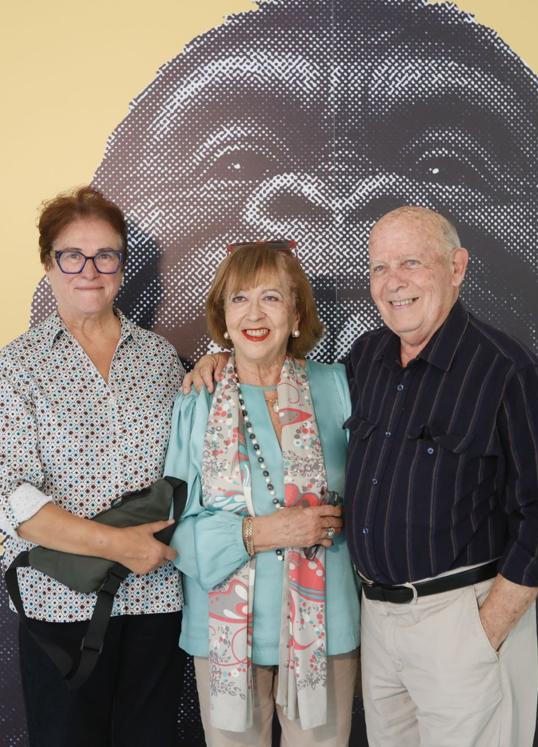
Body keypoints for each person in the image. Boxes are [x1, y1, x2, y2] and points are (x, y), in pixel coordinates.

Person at [188, 207, 538, 747]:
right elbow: (265, 368)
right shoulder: (368, 360)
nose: (394, 282)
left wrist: (483, 630)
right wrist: (219, 359)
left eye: (412, 263)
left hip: (460, 617)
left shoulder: (506, 371)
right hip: (379, 626)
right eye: (380, 267)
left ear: (457, 267)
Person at [0, 186, 186, 746]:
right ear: (48, 265)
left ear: (123, 264)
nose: (89, 270)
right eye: (72, 255)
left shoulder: (160, 356)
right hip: (60, 603)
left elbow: (192, 464)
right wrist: (118, 545)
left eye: (106, 255)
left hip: (155, 596)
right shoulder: (21, 362)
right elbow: (12, 502)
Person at [165, 241, 360, 746]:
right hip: (224, 634)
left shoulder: (339, 387)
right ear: (222, 317)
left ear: (295, 314)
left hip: (327, 630)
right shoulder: (197, 400)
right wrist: (261, 533)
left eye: (271, 298)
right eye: (239, 299)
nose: (254, 313)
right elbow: (174, 530)